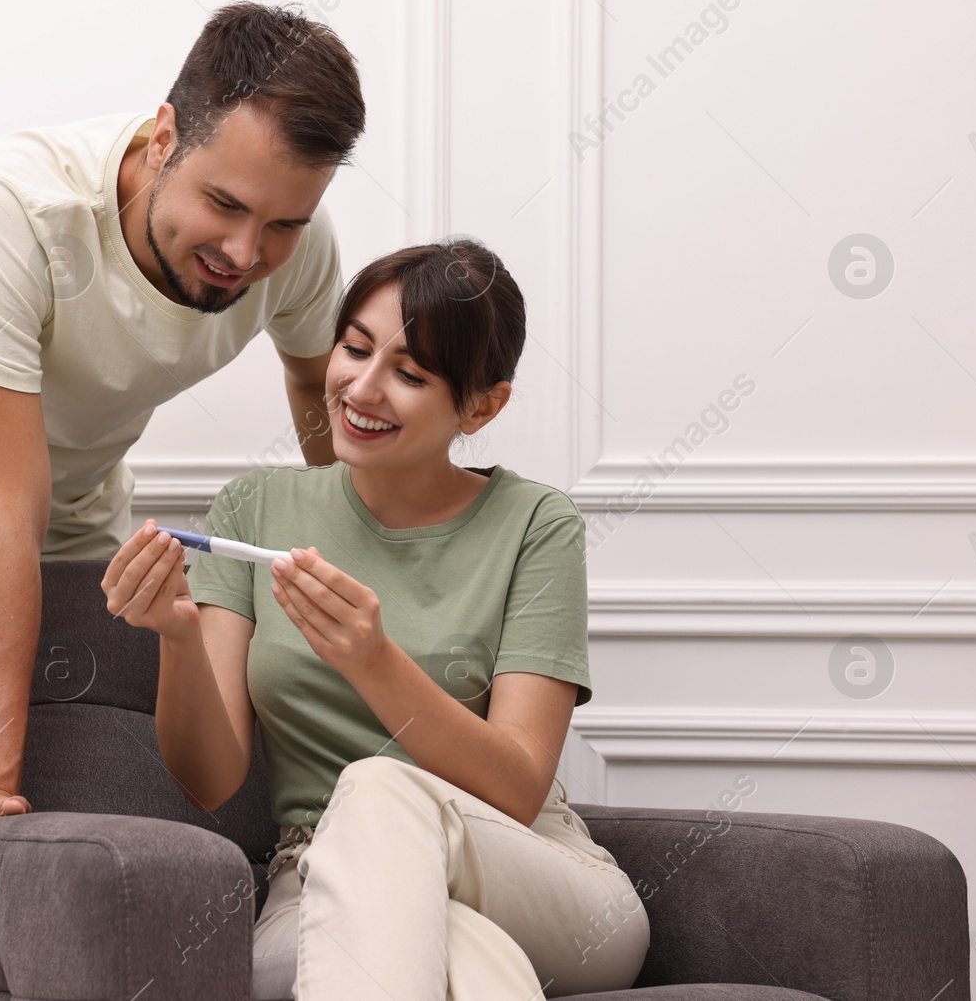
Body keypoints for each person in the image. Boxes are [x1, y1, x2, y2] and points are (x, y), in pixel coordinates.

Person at [0, 1, 366, 999]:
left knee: (48, 873)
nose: (246, 253)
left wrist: (335, 541)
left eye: (280, 223)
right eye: (224, 206)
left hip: (74, 529)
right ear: (161, 138)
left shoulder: (296, 244)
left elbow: (314, 382)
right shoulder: (3, 213)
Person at [100, 239, 650, 998]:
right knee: (461, 954)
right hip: (318, 882)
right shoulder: (256, 508)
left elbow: (518, 786)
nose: (361, 386)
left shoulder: (534, 524)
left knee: (381, 787)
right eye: (354, 349)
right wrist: (178, 635)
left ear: (482, 404)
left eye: (410, 374)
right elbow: (210, 779)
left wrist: (374, 663)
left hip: (528, 872)